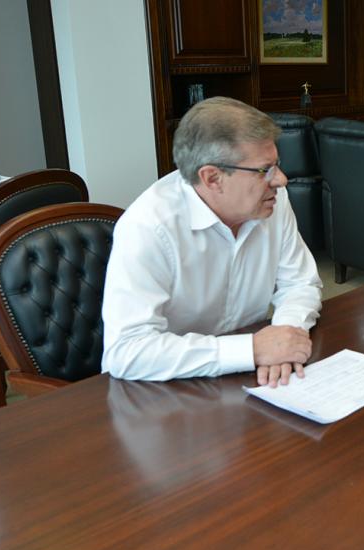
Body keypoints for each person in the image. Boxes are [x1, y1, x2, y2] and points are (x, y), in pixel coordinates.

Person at [102, 96, 322, 386]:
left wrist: (285, 336)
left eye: (277, 165)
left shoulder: (272, 201)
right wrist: (252, 349)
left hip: (245, 381)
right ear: (212, 178)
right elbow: (126, 351)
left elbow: (300, 283)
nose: (280, 180)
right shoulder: (149, 227)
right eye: (264, 170)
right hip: (167, 392)